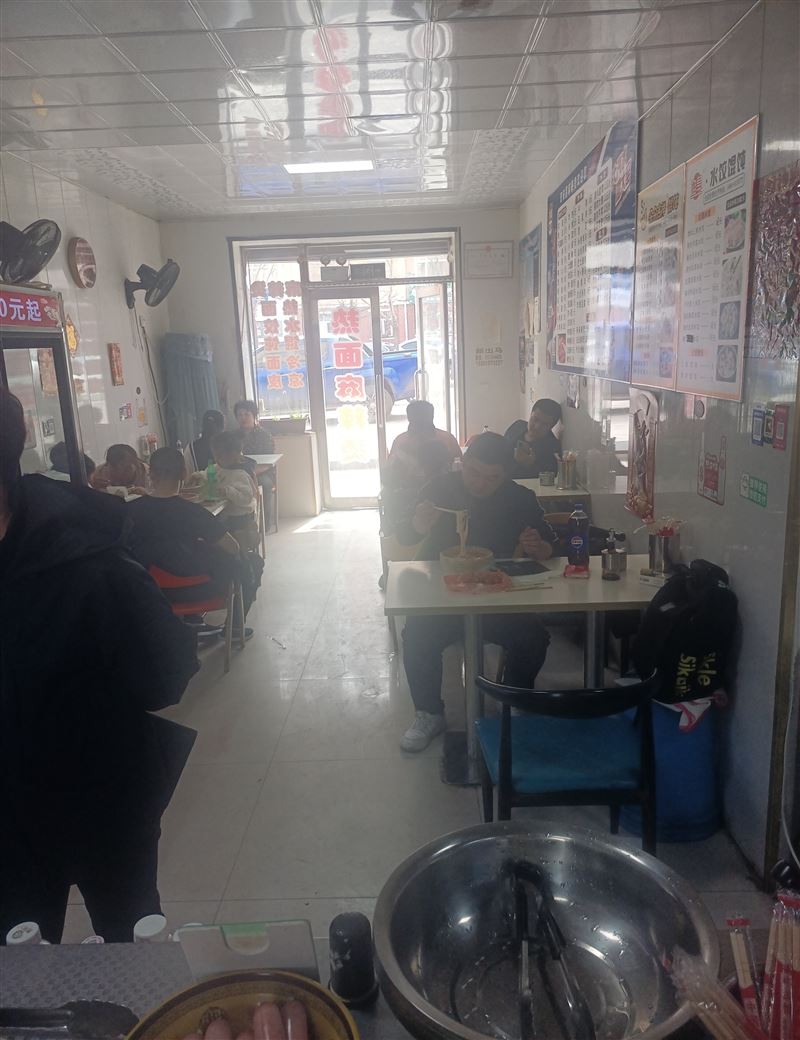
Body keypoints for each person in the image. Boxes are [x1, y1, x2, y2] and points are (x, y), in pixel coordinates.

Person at [0, 388, 198, 944]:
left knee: (24, 956)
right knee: (126, 936)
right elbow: (166, 670)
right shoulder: (89, 544)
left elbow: (166, 667)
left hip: (67, 797)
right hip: (103, 784)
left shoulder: (90, 551)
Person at [396, 432, 556, 752]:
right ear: (464, 462)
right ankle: (429, 713)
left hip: (496, 594)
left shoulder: (519, 498)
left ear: (505, 475)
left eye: (492, 477)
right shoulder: (439, 488)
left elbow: (551, 544)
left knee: (533, 637)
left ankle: (515, 700)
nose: (481, 484)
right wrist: (418, 524)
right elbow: (402, 535)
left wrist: (539, 547)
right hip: (442, 593)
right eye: (474, 473)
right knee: (416, 635)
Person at [127, 447, 262, 635]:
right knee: (253, 561)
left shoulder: (130, 510)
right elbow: (233, 547)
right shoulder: (194, 512)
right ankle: (234, 629)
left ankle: (189, 622)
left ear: (151, 474)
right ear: (184, 473)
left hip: (146, 589)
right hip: (196, 590)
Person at [211, 431, 260, 551]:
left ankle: (240, 557)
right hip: (226, 514)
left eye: (220, 455)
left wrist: (228, 491)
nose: (217, 459)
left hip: (240, 518)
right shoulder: (220, 468)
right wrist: (198, 476)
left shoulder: (241, 474)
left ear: (234, 455)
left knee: (234, 542)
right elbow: (208, 473)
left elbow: (246, 497)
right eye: (215, 455)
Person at [234, 399, 275, 528]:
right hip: (238, 473)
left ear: (254, 416)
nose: (243, 418)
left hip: (261, 473)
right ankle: (238, 525)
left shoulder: (264, 435)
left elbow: (269, 462)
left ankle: (263, 525)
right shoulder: (233, 436)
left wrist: (251, 473)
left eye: (247, 414)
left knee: (265, 484)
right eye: (240, 415)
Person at [504, 399, 562, 479]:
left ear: (551, 426)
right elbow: (501, 450)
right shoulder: (517, 427)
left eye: (545, 424)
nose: (537, 426)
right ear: (531, 414)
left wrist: (530, 465)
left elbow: (549, 479)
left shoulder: (552, 447)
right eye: (535, 419)